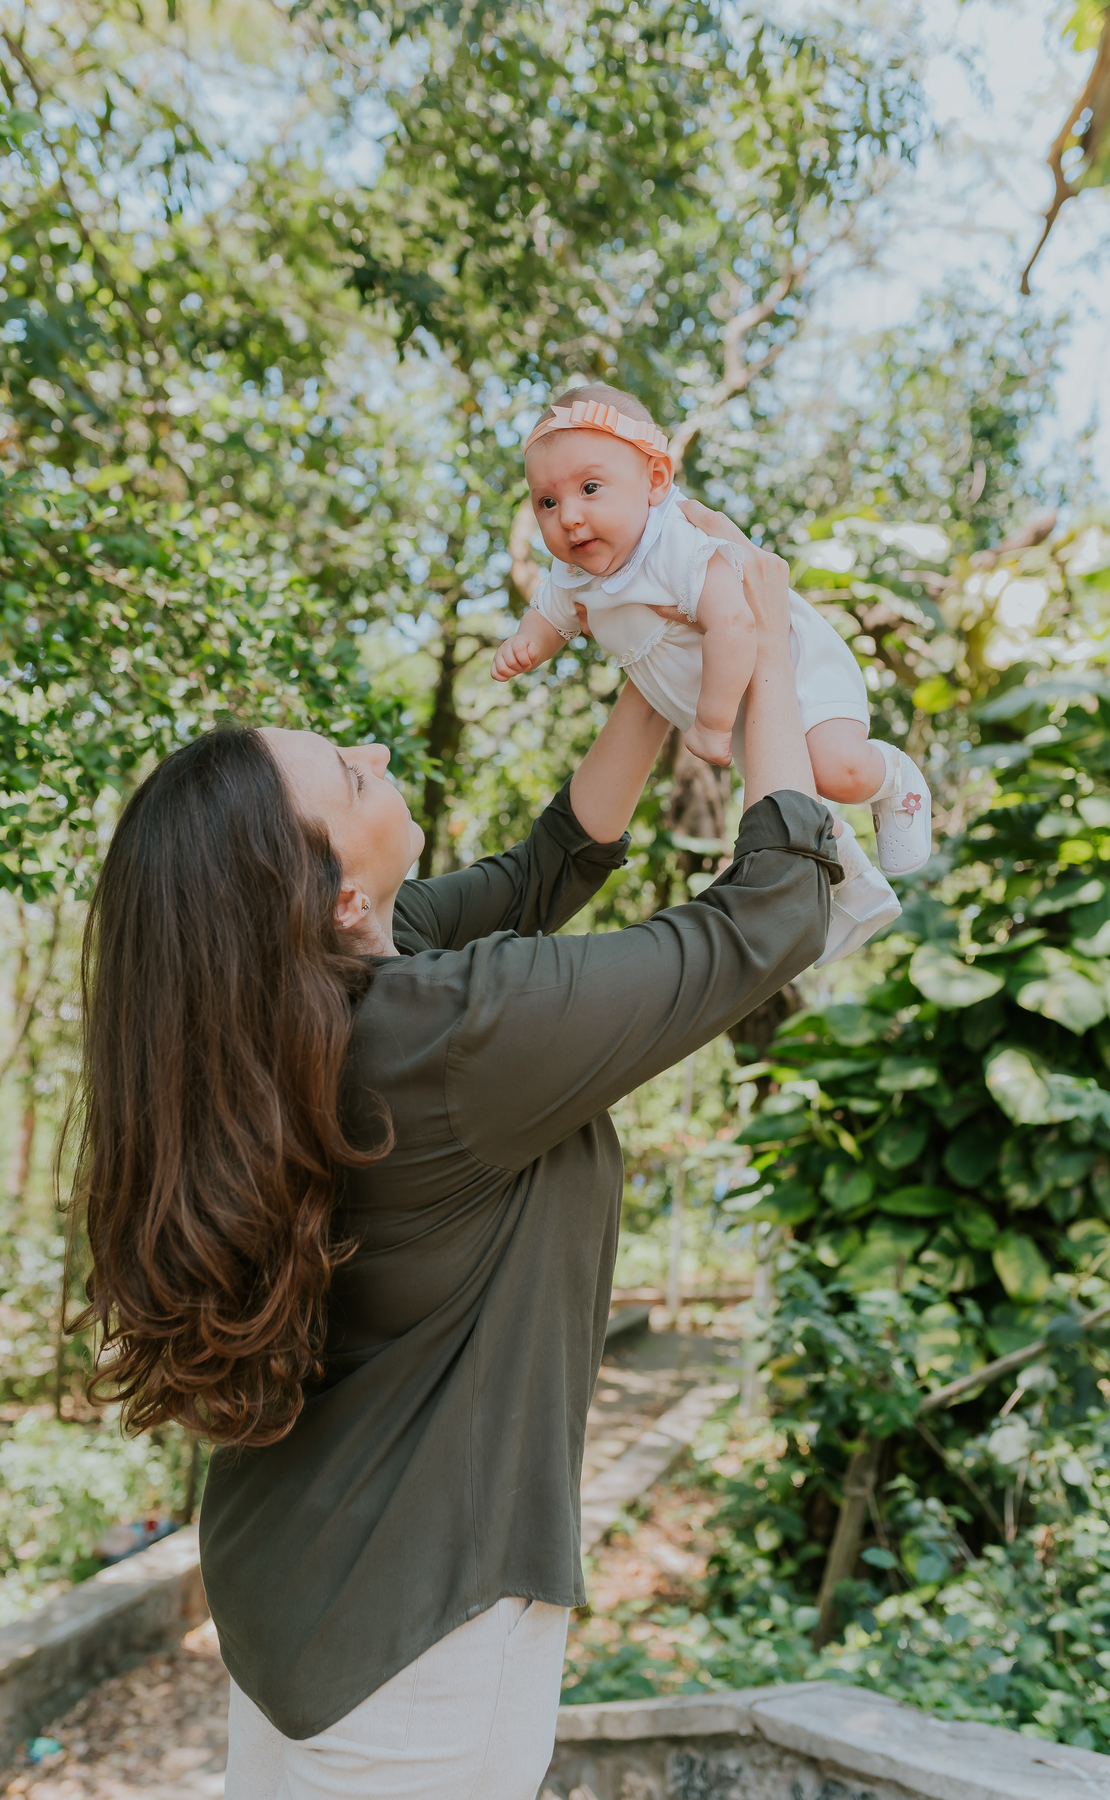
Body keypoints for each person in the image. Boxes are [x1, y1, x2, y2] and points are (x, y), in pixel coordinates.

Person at [68, 520, 841, 1800]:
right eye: (352, 777)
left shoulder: (299, 1001)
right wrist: (758, 635)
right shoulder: (444, 1036)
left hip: (290, 1585)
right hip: (414, 1642)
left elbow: (548, 868)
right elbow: (774, 914)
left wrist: (649, 664)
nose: (376, 753)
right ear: (332, 898)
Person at [493, 382, 934, 963]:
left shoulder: (678, 543)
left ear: (654, 480)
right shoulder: (576, 573)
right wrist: (527, 645)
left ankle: (895, 779)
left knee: (836, 772)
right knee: (785, 813)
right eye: (546, 502)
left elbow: (733, 624)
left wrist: (709, 723)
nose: (569, 517)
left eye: (591, 488)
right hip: (752, 715)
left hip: (795, 675)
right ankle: (841, 905)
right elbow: (553, 613)